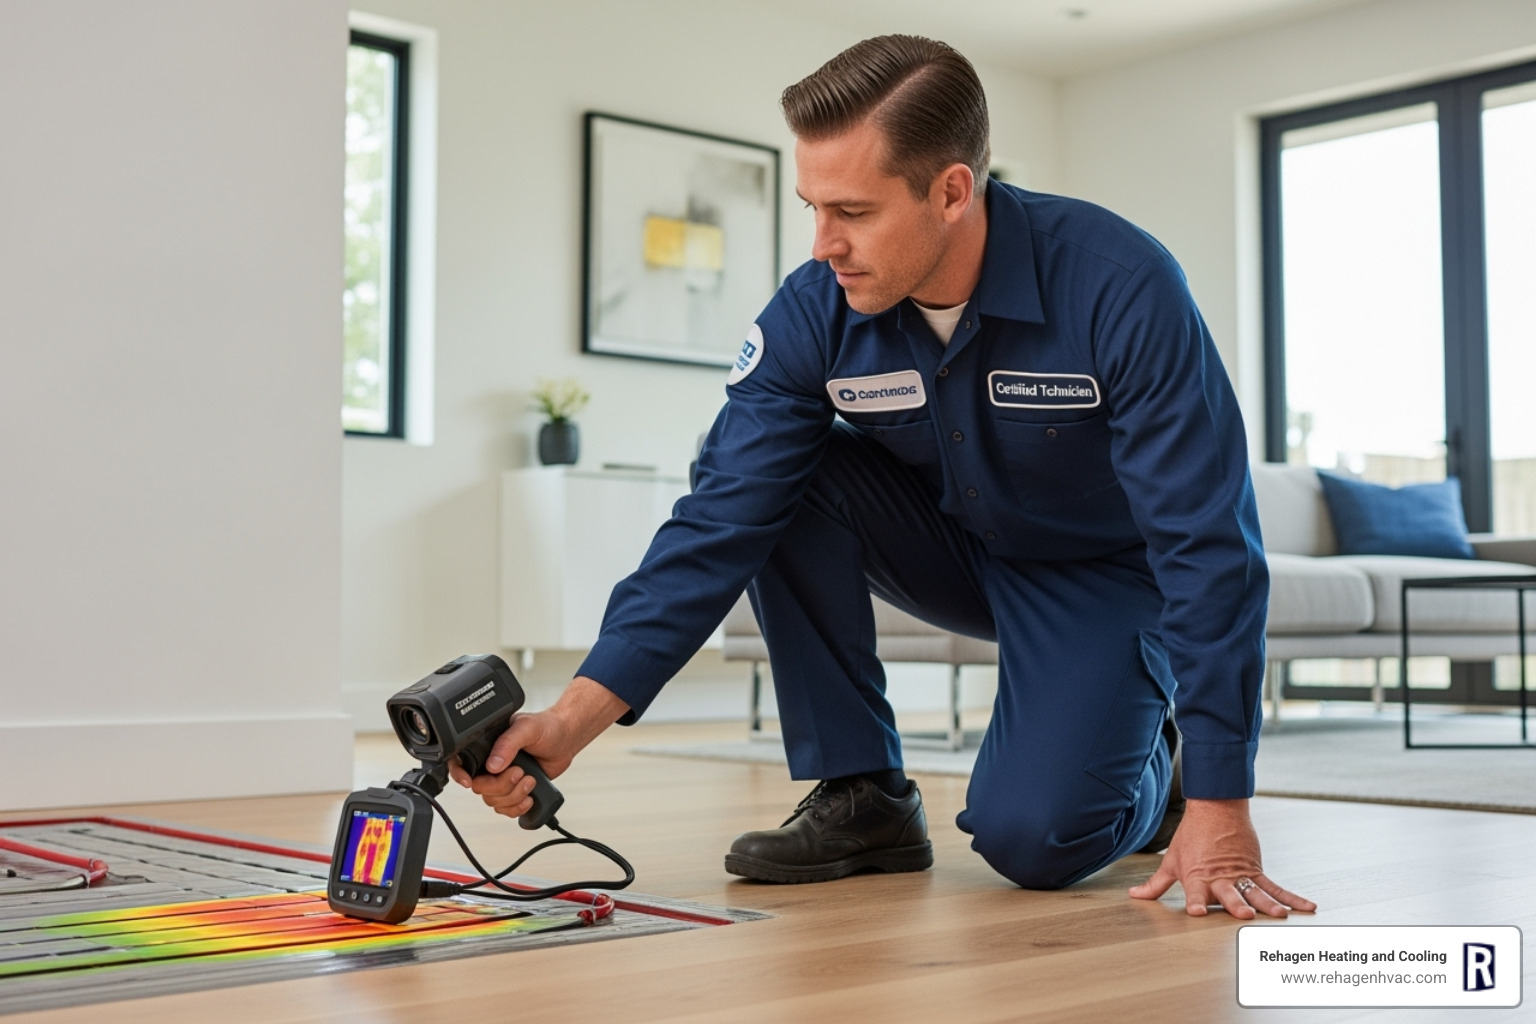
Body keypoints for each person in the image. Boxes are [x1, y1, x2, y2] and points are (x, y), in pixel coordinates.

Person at [452, 34, 1315, 919]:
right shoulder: (816, 309)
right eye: (813, 208)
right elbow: (720, 517)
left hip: (1108, 579)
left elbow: (1208, 542)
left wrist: (1221, 803)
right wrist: (572, 719)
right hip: (959, 548)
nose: (824, 244)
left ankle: (1158, 773)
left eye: (854, 211)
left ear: (951, 191)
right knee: (782, 477)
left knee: (1035, 841)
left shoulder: (1120, 287)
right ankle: (863, 792)